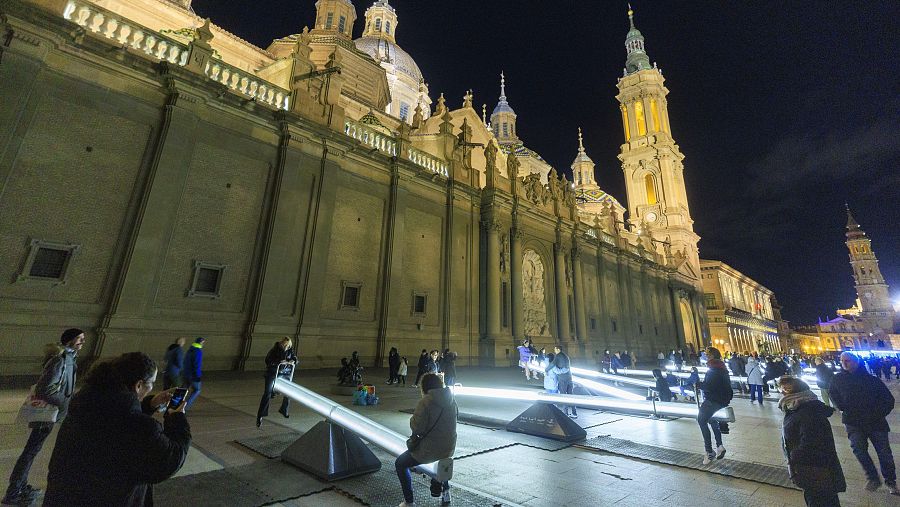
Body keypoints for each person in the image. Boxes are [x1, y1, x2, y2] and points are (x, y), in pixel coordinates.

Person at [43, 352, 191, 506]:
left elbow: (118, 420)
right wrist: (177, 418)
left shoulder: (86, 402)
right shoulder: (138, 426)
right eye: (152, 383)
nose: (153, 387)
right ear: (138, 385)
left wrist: (149, 404)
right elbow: (170, 459)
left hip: (63, 495)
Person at [3, 329, 83, 506]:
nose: (82, 342)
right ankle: (14, 492)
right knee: (30, 452)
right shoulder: (60, 360)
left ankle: (20, 486)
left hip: (52, 412)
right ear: (69, 340)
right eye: (79, 339)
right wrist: (64, 403)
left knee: (32, 450)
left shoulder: (69, 358)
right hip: (48, 412)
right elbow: (44, 390)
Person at [829, 352, 898, 495]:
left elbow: (888, 400)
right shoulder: (838, 379)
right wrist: (842, 406)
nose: (844, 363)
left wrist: (878, 413)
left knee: (884, 453)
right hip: (853, 422)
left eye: (847, 360)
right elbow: (833, 394)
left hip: (876, 423)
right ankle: (873, 477)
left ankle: (890, 481)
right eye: (842, 360)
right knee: (859, 449)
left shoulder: (871, 380)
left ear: (856, 362)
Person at [779, 376, 846, 506]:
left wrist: (794, 456)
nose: (781, 392)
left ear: (795, 393)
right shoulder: (799, 407)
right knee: (823, 499)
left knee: (820, 499)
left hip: (814, 468)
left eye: (784, 390)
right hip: (812, 467)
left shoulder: (807, 411)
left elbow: (811, 441)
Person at [395, 373, 457, 507]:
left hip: (429, 450)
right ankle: (446, 497)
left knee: (400, 463)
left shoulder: (426, 402)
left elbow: (417, 428)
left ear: (424, 387)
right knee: (443, 464)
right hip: (448, 448)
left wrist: (413, 418)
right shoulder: (452, 400)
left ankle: (408, 501)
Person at [697, 347, 733, 465]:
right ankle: (719, 446)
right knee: (712, 420)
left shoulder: (713, 369)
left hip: (713, 400)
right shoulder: (722, 367)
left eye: (707, 355)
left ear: (712, 356)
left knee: (701, 420)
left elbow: (710, 386)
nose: (705, 356)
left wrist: (698, 384)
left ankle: (709, 451)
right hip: (722, 401)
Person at [256, 337, 298, 427]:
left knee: (289, 392)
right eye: (284, 345)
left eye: (287, 345)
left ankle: (284, 409)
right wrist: (278, 361)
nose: (285, 347)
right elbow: (268, 360)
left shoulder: (290, 350)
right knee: (267, 393)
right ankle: (260, 415)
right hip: (273, 373)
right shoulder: (275, 349)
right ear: (281, 343)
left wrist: (293, 361)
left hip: (284, 373)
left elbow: (295, 359)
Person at [548, 346, 576, 418]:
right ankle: (574, 413)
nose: (554, 350)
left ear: (558, 349)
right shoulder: (566, 356)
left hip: (563, 380)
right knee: (571, 396)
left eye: (555, 349)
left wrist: (546, 369)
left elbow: (552, 364)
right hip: (569, 378)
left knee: (563, 396)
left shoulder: (558, 356)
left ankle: (565, 413)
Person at [183, 337, 205, 410]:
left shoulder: (189, 350)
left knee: (183, 390)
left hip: (186, 374)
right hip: (193, 376)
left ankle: (175, 404)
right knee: (197, 390)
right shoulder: (198, 351)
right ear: (201, 342)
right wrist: (198, 376)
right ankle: (185, 407)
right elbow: (197, 365)